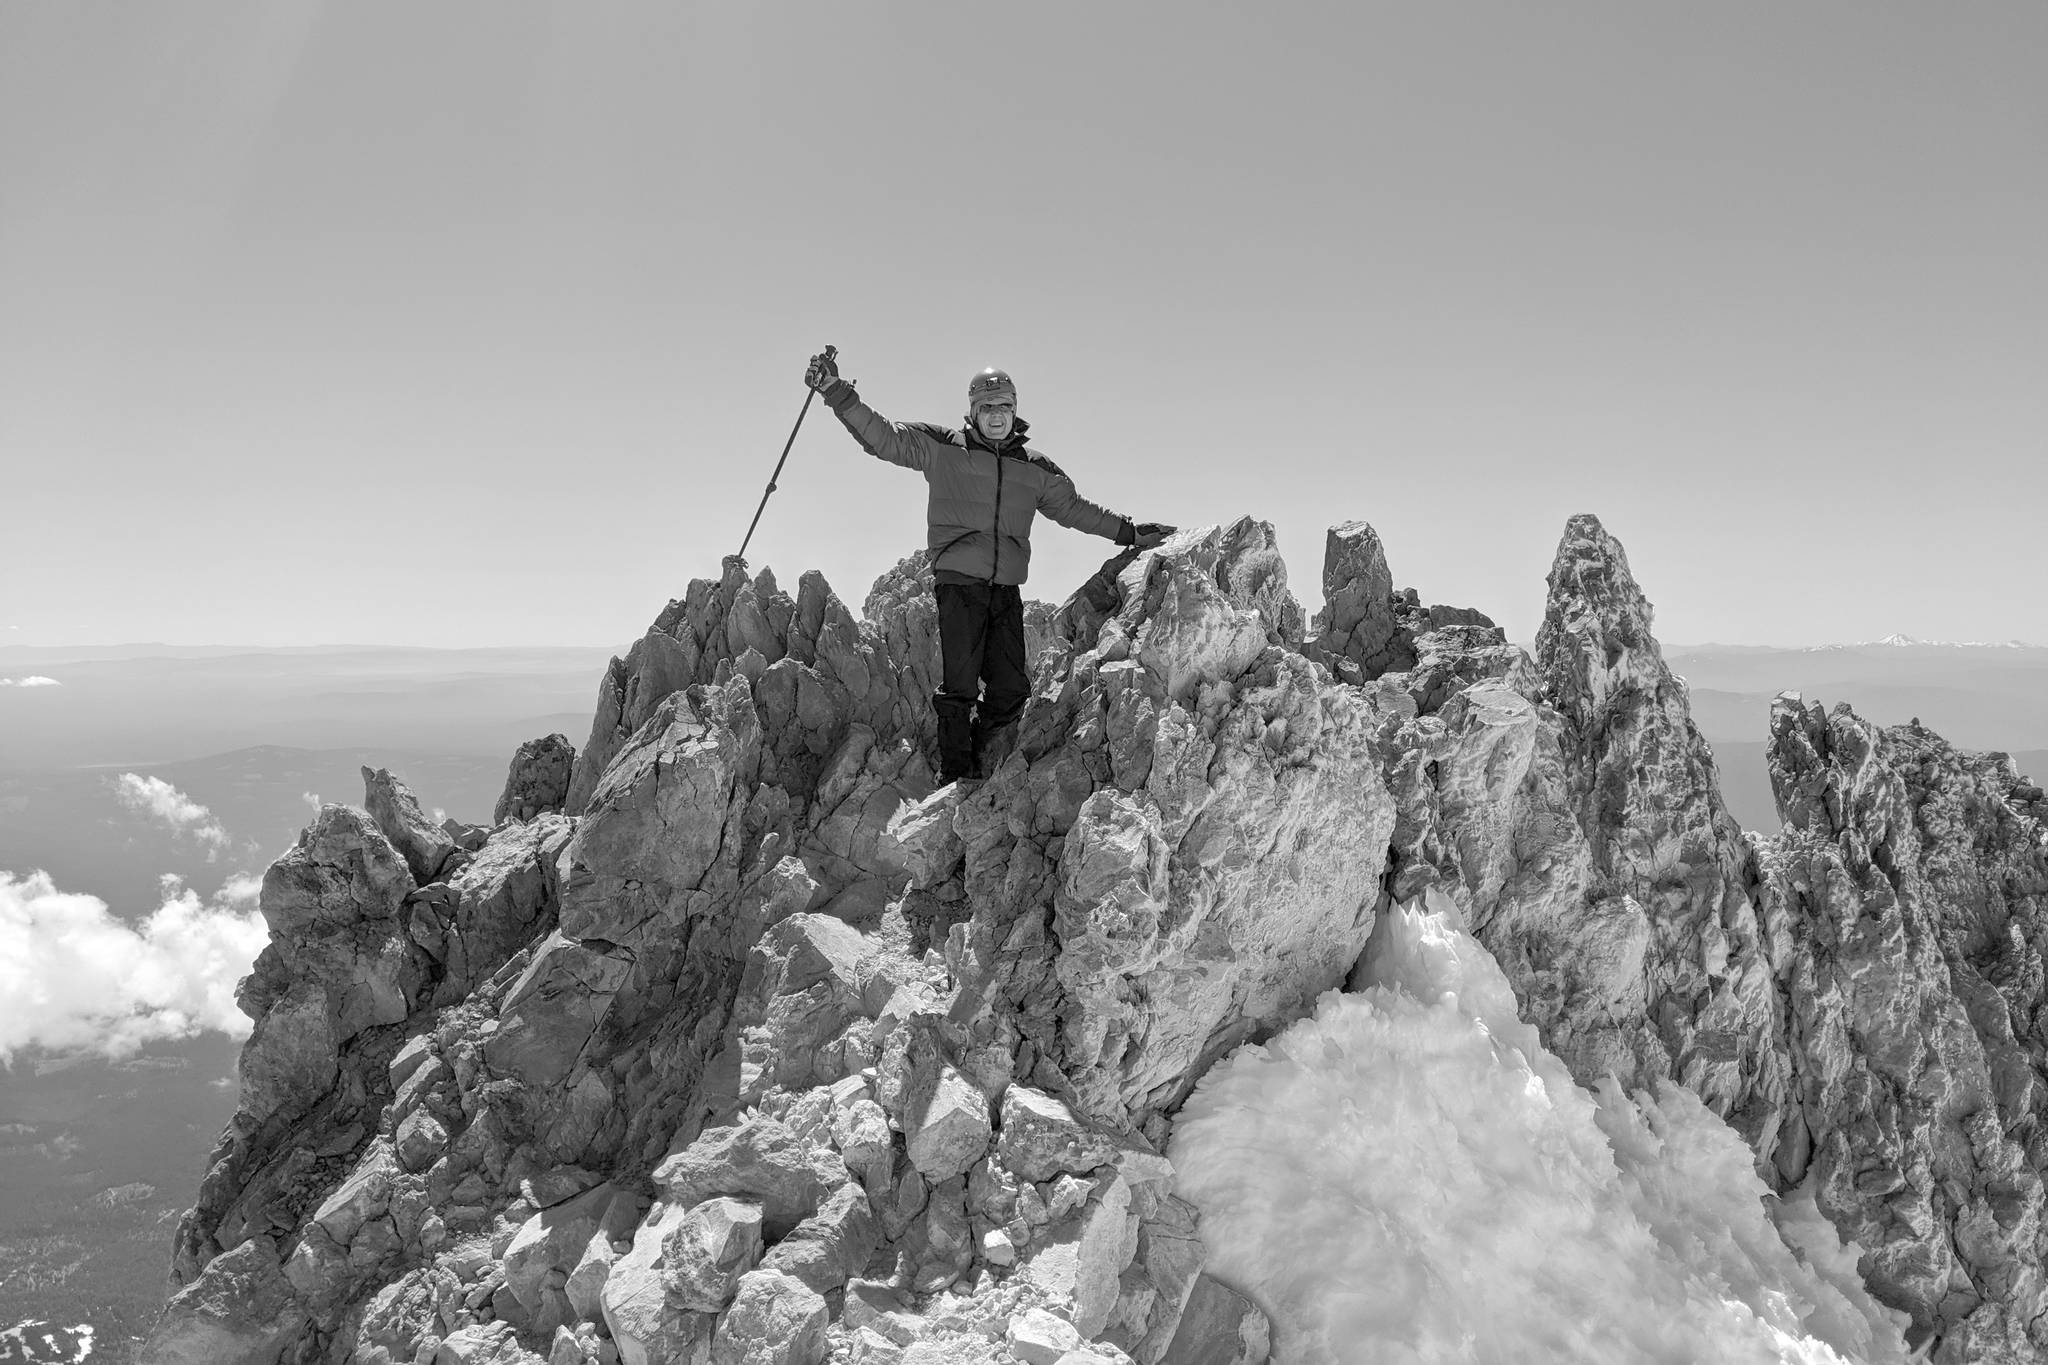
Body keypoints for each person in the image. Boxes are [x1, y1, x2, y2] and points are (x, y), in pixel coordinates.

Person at [804, 351, 1172, 784]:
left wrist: (1129, 532)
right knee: (959, 685)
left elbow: (1074, 509)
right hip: (958, 584)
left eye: (1004, 407)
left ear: (1015, 411)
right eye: (987, 408)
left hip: (1005, 589)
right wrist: (835, 390)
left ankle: (985, 756)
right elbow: (883, 437)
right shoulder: (943, 448)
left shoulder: (1034, 469)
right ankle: (956, 773)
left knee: (1012, 687)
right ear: (973, 412)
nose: (996, 416)